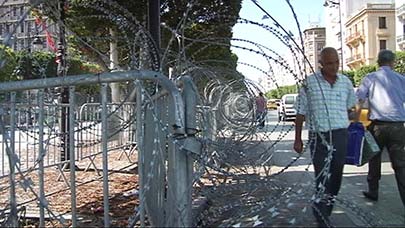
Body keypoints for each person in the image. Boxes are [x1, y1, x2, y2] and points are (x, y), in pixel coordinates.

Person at [294, 47, 356, 227]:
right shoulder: (309, 83)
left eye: (337, 62)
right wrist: (298, 139)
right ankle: (321, 215)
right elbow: (300, 112)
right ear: (320, 64)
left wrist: (358, 120)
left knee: (336, 176)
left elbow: (351, 109)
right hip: (318, 137)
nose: (334, 66)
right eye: (329, 63)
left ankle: (325, 208)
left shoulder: (345, 82)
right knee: (322, 176)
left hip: (340, 135)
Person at [355, 49, 405, 208]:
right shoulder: (401, 79)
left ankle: (373, 191)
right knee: (400, 164)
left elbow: (360, 100)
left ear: (378, 62)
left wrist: (356, 120)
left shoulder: (370, 78)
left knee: (374, 158)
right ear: (393, 62)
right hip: (397, 126)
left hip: (377, 126)